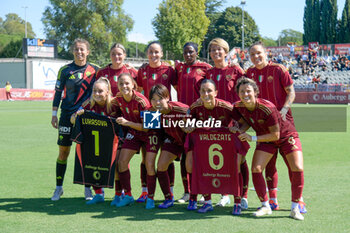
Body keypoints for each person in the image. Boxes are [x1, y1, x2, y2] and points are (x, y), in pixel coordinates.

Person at [246, 41, 307, 213]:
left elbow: (291, 92)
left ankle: (299, 200)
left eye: (259, 53)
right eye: (252, 54)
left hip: (285, 125)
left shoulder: (278, 69)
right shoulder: (249, 73)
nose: (256, 57)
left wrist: (284, 109)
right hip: (264, 129)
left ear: (266, 53)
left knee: (293, 165)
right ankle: (272, 200)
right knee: (268, 166)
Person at [232, 77, 305, 221]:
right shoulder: (238, 107)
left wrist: (251, 138)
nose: (245, 94)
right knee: (256, 169)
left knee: (297, 167)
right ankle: (265, 206)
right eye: (242, 92)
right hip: (266, 138)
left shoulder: (267, 107)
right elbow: (246, 121)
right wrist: (237, 129)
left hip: (285, 136)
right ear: (238, 94)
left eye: (248, 91)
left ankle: (295, 208)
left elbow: (276, 135)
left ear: (255, 92)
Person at [186, 79, 249, 215]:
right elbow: (186, 123)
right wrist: (189, 126)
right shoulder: (195, 107)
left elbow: (243, 121)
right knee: (199, 166)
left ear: (216, 93)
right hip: (204, 144)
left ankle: (238, 201)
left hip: (227, 143)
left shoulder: (226, 107)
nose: (206, 94)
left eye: (209, 90)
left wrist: (237, 129)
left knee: (235, 167)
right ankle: (206, 202)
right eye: (203, 91)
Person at [51, 38, 99, 201]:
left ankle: (87, 189)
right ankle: (58, 188)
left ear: (88, 52)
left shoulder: (95, 70)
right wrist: (53, 114)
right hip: (66, 116)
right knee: (64, 152)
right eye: (77, 49)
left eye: (82, 49)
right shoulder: (64, 70)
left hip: (85, 116)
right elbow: (58, 92)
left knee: (85, 154)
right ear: (73, 51)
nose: (79, 52)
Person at [206, 38, 248, 208]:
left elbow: (245, 94)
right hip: (216, 124)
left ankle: (243, 195)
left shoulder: (236, 70)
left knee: (240, 159)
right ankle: (225, 194)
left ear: (226, 51)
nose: (216, 53)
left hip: (235, 123)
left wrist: (244, 120)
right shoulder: (208, 74)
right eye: (213, 50)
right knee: (221, 160)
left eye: (219, 49)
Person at [135, 41, 177, 203]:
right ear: (147, 54)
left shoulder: (169, 70)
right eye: (151, 52)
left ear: (162, 54)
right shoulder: (142, 70)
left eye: (157, 52)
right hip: (150, 115)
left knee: (168, 153)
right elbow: (139, 91)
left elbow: (178, 88)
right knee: (147, 156)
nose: (154, 55)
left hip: (166, 114)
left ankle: (170, 191)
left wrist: (173, 108)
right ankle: (145, 191)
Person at [70, 77, 122, 205]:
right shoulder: (88, 104)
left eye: (100, 91)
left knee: (116, 167)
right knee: (92, 163)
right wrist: (78, 115)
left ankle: (118, 194)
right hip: (95, 144)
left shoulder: (115, 104)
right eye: (94, 91)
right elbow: (72, 119)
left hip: (113, 143)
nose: (97, 94)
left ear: (108, 91)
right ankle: (98, 194)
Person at [114, 73, 161, 208]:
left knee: (149, 164)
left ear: (133, 84)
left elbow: (148, 128)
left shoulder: (142, 101)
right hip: (134, 132)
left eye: (127, 83)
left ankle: (150, 197)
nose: (124, 86)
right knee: (121, 162)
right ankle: (128, 195)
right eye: (121, 84)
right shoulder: (118, 98)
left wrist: (127, 122)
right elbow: (106, 103)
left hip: (150, 132)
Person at [175, 42, 211, 203]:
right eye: (185, 52)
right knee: (185, 155)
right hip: (184, 116)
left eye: (191, 52)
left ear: (196, 53)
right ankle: (187, 192)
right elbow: (177, 86)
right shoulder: (180, 68)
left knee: (201, 156)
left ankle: (204, 192)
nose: (188, 55)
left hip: (200, 116)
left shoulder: (205, 68)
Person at [148, 84, 189, 209]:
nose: (157, 102)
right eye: (153, 99)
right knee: (161, 166)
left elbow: (195, 123)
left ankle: (194, 196)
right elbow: (151, 131)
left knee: (190, 167)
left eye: (160, 99)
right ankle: (168, 198)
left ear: (167, 97)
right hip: (172, 141)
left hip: (188, 141)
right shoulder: (152, 112)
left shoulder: (182, 109)